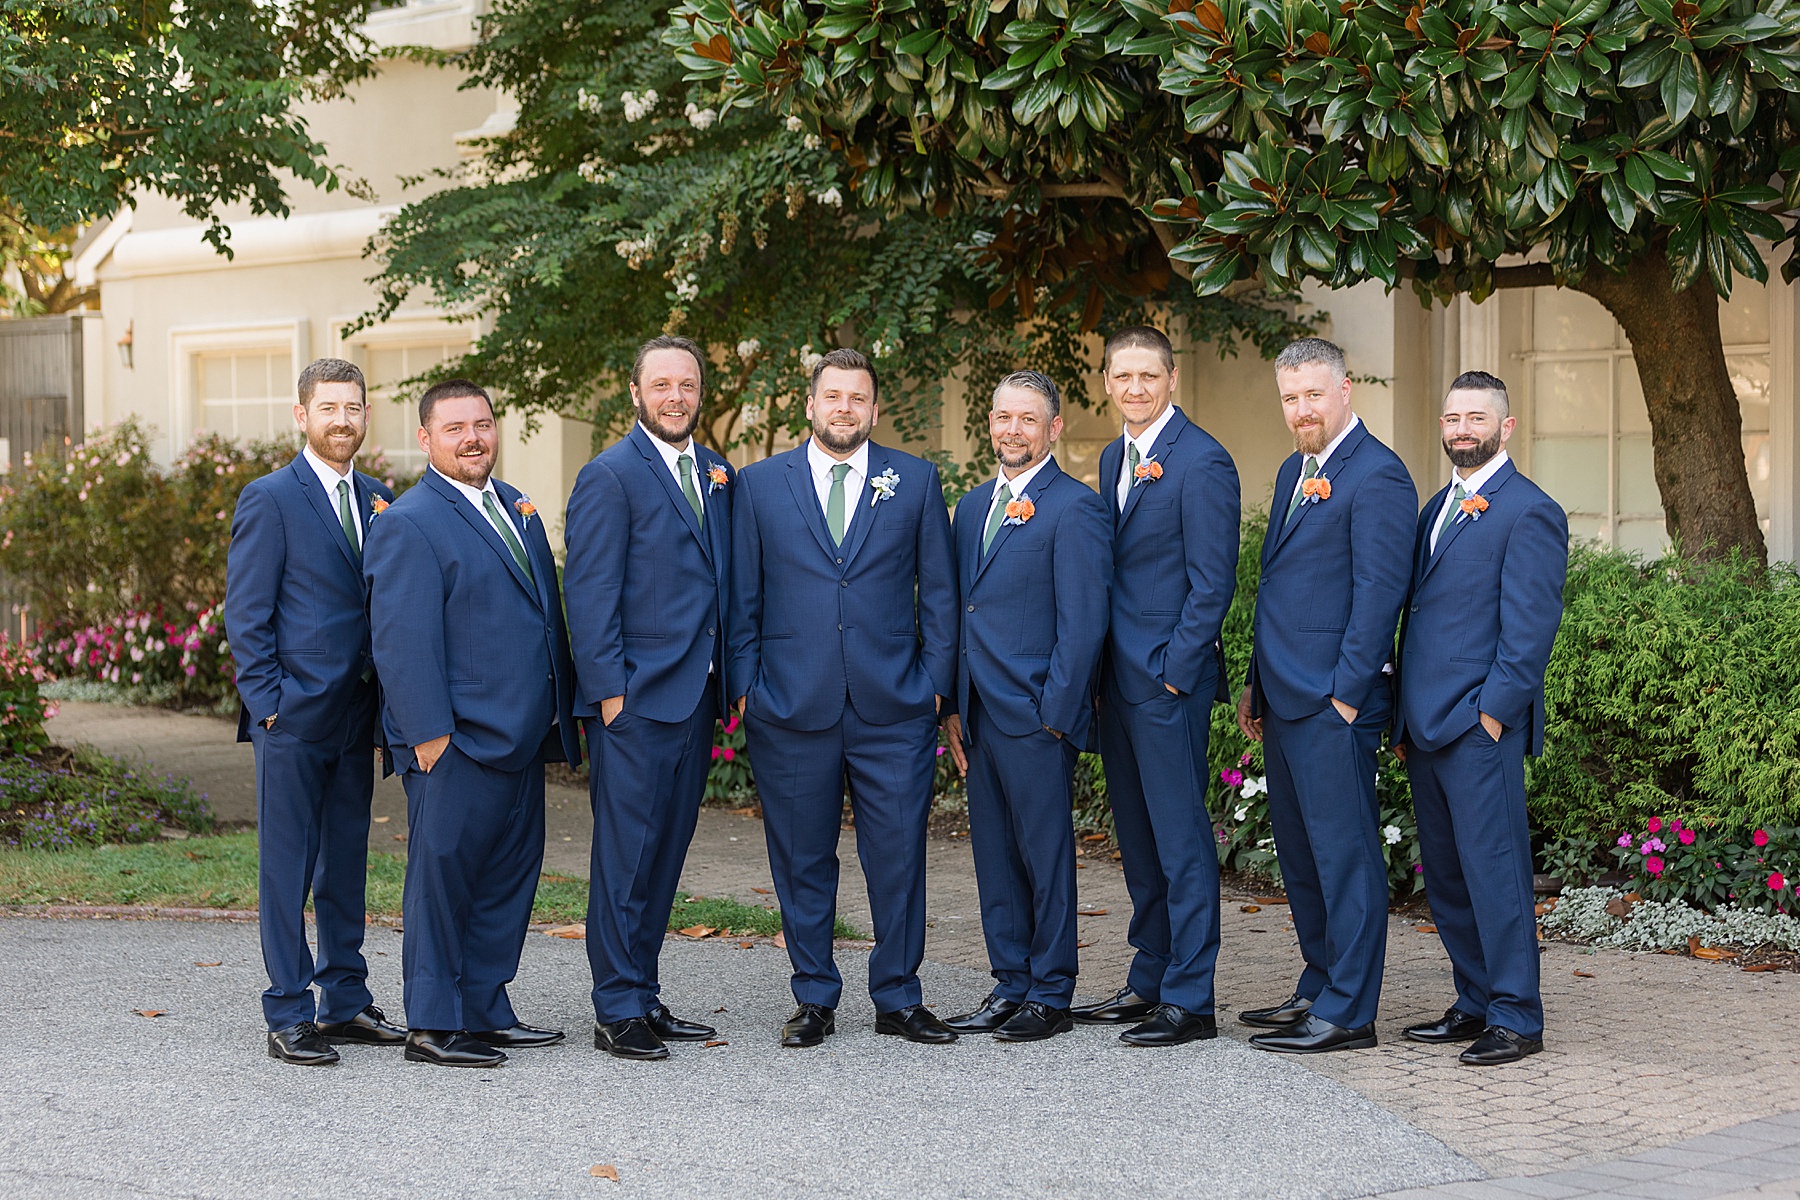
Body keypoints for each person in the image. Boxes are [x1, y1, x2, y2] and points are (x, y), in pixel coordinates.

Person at [727, 347, 960, 1048]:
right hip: (791, 708)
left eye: (858, 398)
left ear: (875, 409)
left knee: (898, 854)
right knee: (801, 859)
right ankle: (814, 997)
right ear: (810, 404)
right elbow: (743, 597)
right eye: (833, 396)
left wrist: (932, 688)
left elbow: (940, 595)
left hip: (894, 708)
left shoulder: (913, 480)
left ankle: (898, 996)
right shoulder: (759, 485)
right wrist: (748, 690)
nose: (844, 409)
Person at [363, 379, 582, 1068]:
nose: (473, 438)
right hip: (453, 741)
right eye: (455, 427)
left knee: (509, 878)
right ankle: (431, 1023)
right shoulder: (409, 520)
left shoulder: (516, 507)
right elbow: (400, 639)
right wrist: (428, 734)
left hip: (521, 733)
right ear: (426, 439)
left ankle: (485, 1007)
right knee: (443, 882)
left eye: (482, 424)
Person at [1236, 337, 1416, 1054]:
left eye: (1314, 394)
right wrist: (1256, 681)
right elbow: (1278, 585)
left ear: (1346, 392)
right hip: (1284, 693)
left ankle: (1349, 1010)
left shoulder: (1379, 475)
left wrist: (1346, 696)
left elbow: (1380, 593)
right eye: (1290, 397)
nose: (1301, 409)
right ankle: (1319, 982)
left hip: (1333, 700)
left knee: (1345, 855)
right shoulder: (1292, 471)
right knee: (1305, 854)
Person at [225, 358, 402, 1065]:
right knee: (288, 870)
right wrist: (270, 707)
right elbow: (247, 613)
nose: (341, 420)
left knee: (345, 868)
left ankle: (345, 1001)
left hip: (357, 719)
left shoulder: (381, 499)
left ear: (365, 415)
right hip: (292, 721)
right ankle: (288, 1011)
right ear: (301, 416)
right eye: (328, 407)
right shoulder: (270, 498)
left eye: (353, 407)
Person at [564, 336, 733, 1061]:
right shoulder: (609, 476)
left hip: (696, 702)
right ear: (635, 393)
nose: (675, 396)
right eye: (660, 384)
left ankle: (646, 990)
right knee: (626, 856)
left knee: (664, 854)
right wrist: (609, 696)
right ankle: (616, 1007)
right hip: (633, 705)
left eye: (686, 384)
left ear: (701, 393)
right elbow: (590, 592)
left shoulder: (719, 473)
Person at [1395, 371, 1567, 1066]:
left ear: (1507, 426)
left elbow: (1528, 636)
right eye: (1452, 417)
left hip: (1476, 728)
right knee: (1447, 875)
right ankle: (1474, 1000)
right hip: (1424, 727)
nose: (1462, 429)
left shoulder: (1529, 510)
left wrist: (1491, 718)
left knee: (1494, 871)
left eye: (1476, 418)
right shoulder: (1439, 504)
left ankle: (1517, 1015)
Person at [1074, 326, 1240, 1047]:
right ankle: (1149, 975)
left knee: (1180, 840)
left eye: (1149, 375)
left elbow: (1213, 584)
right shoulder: (1116, 455)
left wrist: (1174, 674)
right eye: (1122, 376)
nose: (1134, 387)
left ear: (1172, 379)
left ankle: (1190, 997)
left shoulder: (1201, 461)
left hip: (1168, 684)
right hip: (1119, 679)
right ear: (1106, 383)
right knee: (1137, 837)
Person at [940, 371, 1111, 1043]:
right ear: (990, 422)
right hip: (979, 713)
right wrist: (952, 704)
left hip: (1038, 714)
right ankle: (1010, 983)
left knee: (1045, 857)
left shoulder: (1074, 508)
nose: (1012, 429)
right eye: (1002, 416)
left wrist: (1056, 713)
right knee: (994, 857)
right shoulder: (972, 506)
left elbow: (1084, 623)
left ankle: (1051, 991)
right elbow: (963, 609)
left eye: (1027, 419)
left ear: (1053, 429)